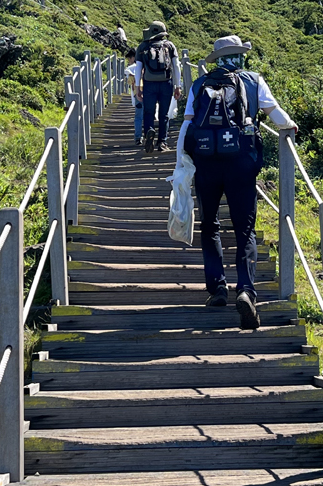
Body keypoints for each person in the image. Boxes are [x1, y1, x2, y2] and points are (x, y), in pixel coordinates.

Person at [176, 35, 298, 330]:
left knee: (210, 225)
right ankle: (246, 290)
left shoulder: (201, 84)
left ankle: (217, 288)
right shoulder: (254, 80)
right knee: (244, 228)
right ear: (241, 55)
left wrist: (182, 162)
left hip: (206, 161)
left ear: (217, 58)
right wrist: (289, 126)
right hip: (241, 163)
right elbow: (274, 113)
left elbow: (188, 123)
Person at [134, 21, 181, 153]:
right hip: (166, 83)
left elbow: (138, 68)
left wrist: (138, 88)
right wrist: (178, 86)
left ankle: (149, 130)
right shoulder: (169, 45)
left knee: (148, 112)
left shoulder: (143, 46)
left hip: (149, 84)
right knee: (164, 114)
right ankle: (162, 142)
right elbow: (176, 66)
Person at [123, 48, 144, 145]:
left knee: (138, 116)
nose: (129, 61)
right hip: (150, 92)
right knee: (148, 115)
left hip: (138, 94)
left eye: (129, 59)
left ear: (133, 57)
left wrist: (136, 93)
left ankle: (138, 137)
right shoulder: (146, 66)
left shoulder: (132, 69)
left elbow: (131, 83)